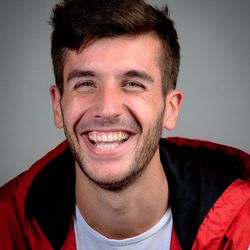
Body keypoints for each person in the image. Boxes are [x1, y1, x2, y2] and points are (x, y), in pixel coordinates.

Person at [0, 0, 249, 249]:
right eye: (85, 84)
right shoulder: (8, 225)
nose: (107, 109)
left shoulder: (241, 226)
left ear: (170, 109)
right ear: (57, 105)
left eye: (133, 84)